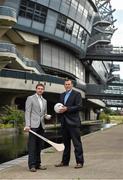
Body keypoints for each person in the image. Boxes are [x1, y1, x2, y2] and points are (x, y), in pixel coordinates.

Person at [55, 79, 84, 168]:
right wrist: (58, 111)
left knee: (77, 143)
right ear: (64, 85)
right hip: (64, 123)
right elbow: (60, 107)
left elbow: (79, 106)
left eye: (68, 84)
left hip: (73, 123)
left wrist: (67, 109)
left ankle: (79, 162)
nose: (67, 86)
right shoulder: (62, 95)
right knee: (65, 144)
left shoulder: (77, 94)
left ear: (72, 85)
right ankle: (64, 162)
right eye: (66, 84)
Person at [24, 83, 50, 172]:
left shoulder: (45, 101)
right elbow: (27, 112)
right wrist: (27, 125)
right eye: (38, 88)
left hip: (41, 125)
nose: (40, 90)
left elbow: (44, 113)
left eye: (42, 89)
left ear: (43, 90)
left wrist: (47, 116)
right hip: (33, 126)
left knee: (39, 146)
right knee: (32, 146)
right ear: (36, 89)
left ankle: (38, 164)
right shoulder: (30, 98)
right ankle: (32, 165)